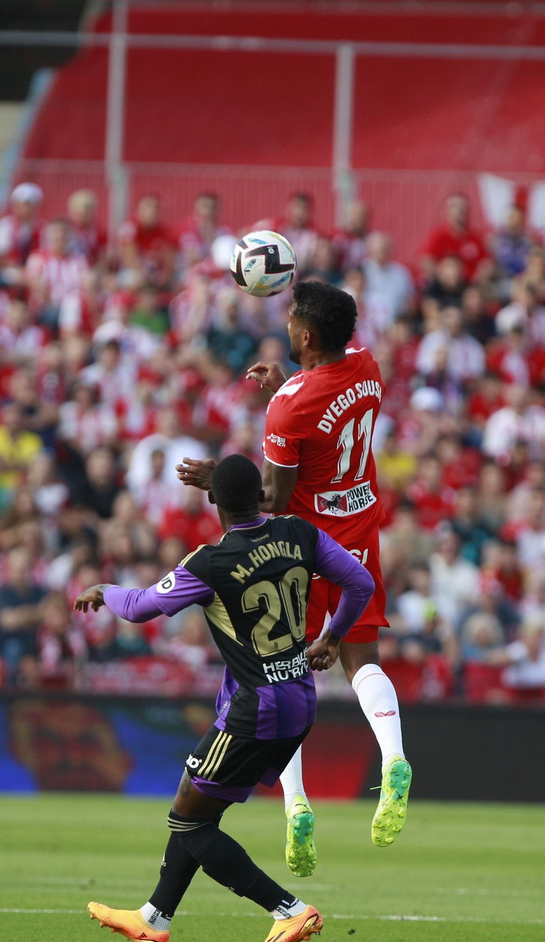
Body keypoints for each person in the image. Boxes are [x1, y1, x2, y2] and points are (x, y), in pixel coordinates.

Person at [78, 453, 373, 942]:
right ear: (261, 494)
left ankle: (290, 910)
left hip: (257, 706)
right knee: (197, 808)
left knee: (186, 818)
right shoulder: (298, 532)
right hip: (300, 696)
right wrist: (332, 637)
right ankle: (154, 916)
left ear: (211, 499)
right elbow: (360, 583)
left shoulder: (211, 561)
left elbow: (140, 607)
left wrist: (105, 589)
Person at [178, 280, 410, 878]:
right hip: (358, 530)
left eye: (289, 321)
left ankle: (297, 804)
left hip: (302, 548)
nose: (284, 327)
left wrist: (219, 482)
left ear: (306, 335)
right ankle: (395, 757)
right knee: (363, 660)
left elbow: (276, 496)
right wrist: (292, 379)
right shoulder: (368, 366)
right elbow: (328, 409)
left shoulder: (289, 406)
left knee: (283, 671)